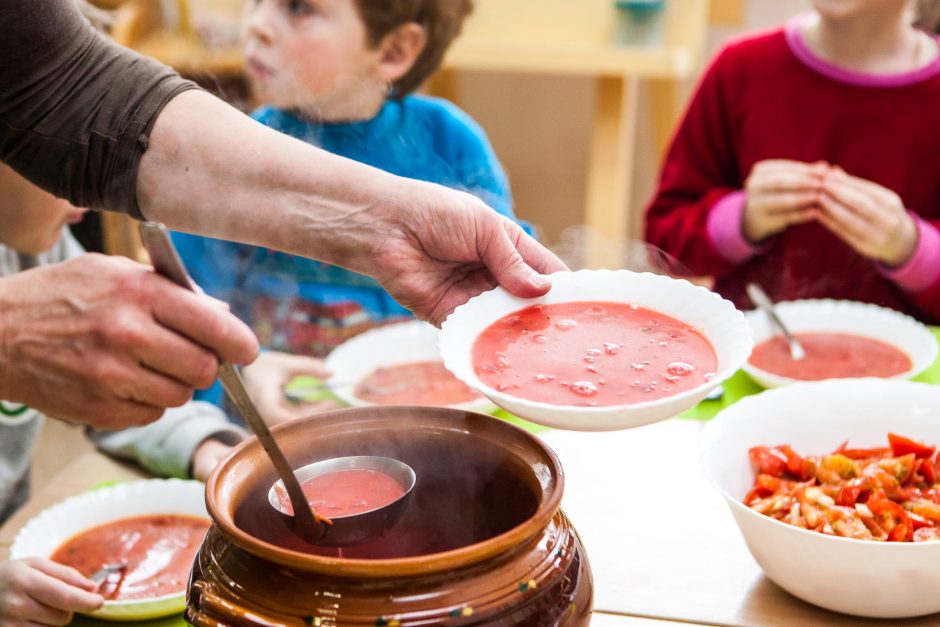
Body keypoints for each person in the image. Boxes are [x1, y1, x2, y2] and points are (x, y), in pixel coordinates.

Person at [0, 0, 566, 430]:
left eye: (298, 7)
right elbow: (197, 308)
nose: (259, 24)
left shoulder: (450, 141)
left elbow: (55, 78)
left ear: (393, 50)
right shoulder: (243, 142)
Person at [0, 162, 245, 624]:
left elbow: (107, 386)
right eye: (43, 153)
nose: (86, 200)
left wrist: (200, 445)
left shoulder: (36, 247)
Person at [644, 0, 940, 322]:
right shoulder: (741, 68)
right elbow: (664, 241)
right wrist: (742, 220)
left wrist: (912, 248)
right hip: (752, 354)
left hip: (915, 367)